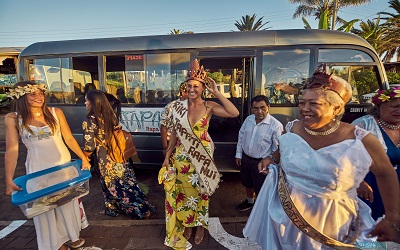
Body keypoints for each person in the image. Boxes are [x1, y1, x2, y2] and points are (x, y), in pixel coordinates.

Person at [243, 65, 400, 249]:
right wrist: (271, 158)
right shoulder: (292, 128)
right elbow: (284, 149)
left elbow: (385, 173)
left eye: (314, 104)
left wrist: (392, 218)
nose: (304, 109)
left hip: (332, 221)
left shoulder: (359, 138)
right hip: (286, 218)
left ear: (337, 107)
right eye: (302, 102)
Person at [158, 59, 239, 249]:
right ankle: (188, 224)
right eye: (189, 85)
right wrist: (166, 157)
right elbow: (174, 135)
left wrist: (217, 92)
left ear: (203, 87)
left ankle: (200, 225)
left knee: (202, 193)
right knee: (183, 194)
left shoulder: (210, 106)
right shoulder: (179, 107)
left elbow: (234, 112)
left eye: (196, 85)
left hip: (202, 157)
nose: (191, 89)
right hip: (181, 156)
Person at [5, 81, 91, 250]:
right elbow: (12, 150)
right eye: (33, 94)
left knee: (67, 202)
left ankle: (72, 236)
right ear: (22, 97)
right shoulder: (13, 118)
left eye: (41, 93)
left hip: (63, 166)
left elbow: (69, 138)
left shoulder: (55, 112)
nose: (39, 97)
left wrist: (84, 159)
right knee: (45, 208)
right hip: (38, 169)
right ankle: (55, 244)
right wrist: (8, 179)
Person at [82, 89, 156, 219]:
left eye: (87, 100)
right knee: (128, 183)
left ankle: (140, 210)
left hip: (105, 158)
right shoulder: (110, 115)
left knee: (112, 186)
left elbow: (89, 147)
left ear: (93, 102)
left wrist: (83, 157)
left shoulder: (90, 120)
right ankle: (140, 206)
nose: (85, 103)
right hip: (119, 155)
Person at [351, 86, 400, 220]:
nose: (399, 111)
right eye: (394, 106)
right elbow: (346, 156)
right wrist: (359, 182)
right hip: (371, 186)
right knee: (368, 226)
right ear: (379, 106)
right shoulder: (363, 125)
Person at [235, 95, 283, 212]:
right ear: (252, 109)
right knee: (247, 183)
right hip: (246, 159)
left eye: (262, 108)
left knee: (262, 187)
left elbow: (277, 148)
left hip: (262, 162)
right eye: (255, 108)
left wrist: (272, 164)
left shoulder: (275, 125)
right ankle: (250, 201)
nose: (259, 111)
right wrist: (238, 154)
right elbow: (241, 137)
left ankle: (260, 208)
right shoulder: (249, 120)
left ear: (268, 107)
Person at [160, 81, 188, 156]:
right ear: (183, 92)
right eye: (189, 92)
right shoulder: (171, 107)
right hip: (173, 147)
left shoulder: (193, 107)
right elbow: (163, 127)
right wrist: (166, 148)